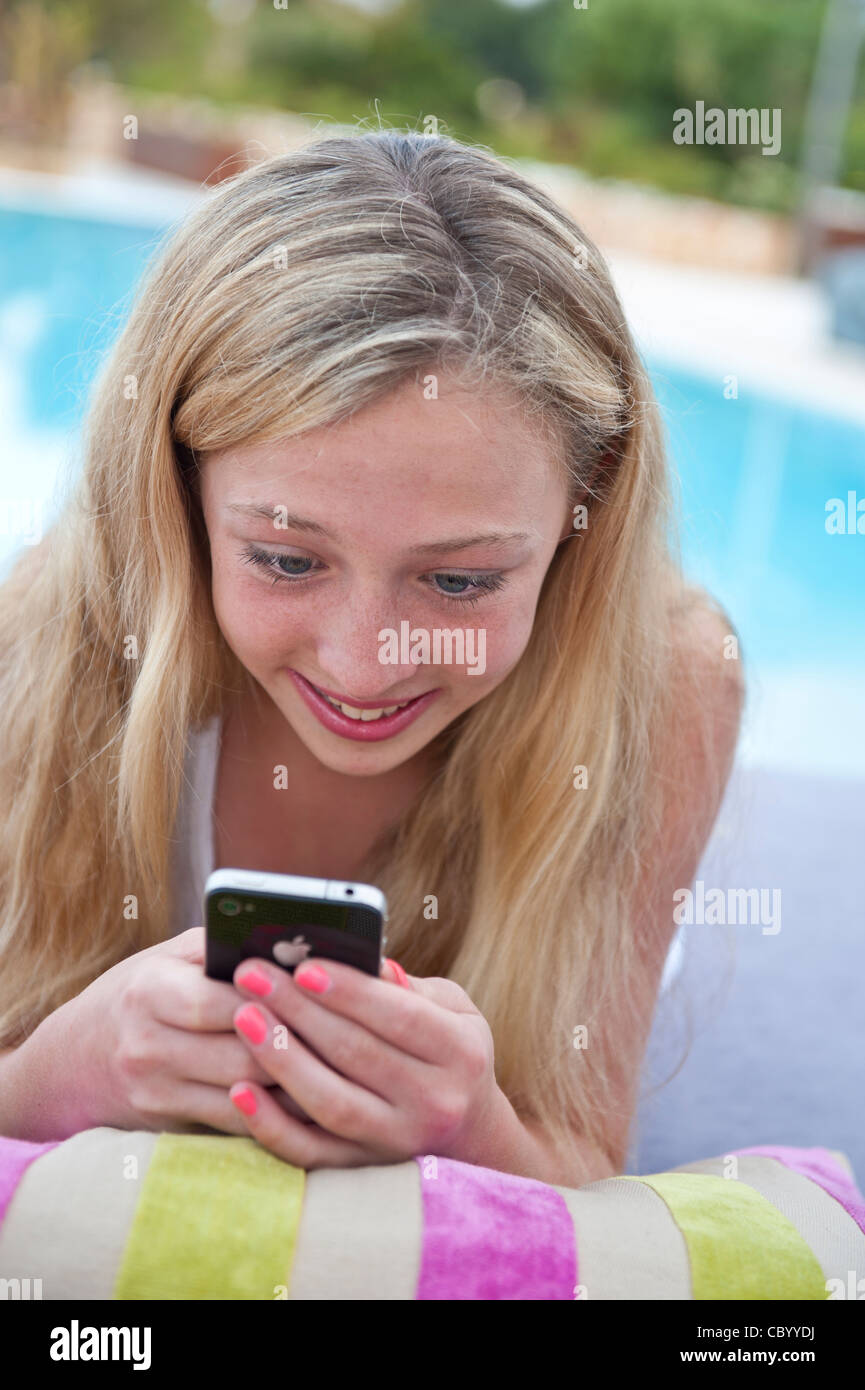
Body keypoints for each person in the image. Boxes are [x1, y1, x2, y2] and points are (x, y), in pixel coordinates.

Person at [0, 128, 742, 1186]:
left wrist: (467, 1122)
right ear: (178, 490)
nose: (361, 665)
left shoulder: (666, 687)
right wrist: (53, 1077)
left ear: (589, 507)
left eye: (457, 581)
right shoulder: (53, 631)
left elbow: (578, 1152)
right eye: (286, 558)